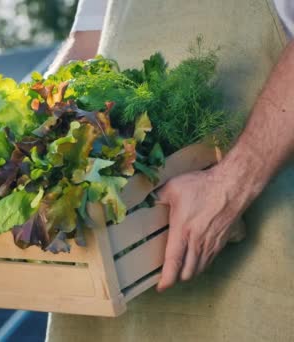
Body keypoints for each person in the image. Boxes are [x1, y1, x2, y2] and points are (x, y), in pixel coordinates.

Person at [45, 0, 294, 341]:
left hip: (259, 233)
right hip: (110, 267)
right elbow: (88, 44)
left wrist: (231, 186)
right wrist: (30, 137)